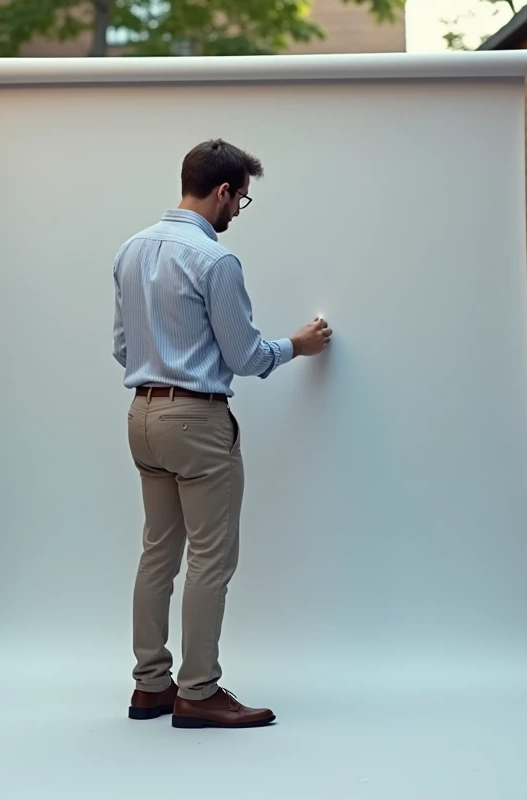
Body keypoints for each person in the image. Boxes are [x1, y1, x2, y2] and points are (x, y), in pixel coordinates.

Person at [111, 138, 331, 730]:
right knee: (210, 559)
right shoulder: (214, 261)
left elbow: (121, 347)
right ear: (223, 191)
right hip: (197, 420)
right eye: (241, 200)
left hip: (142, 416)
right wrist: (298, 345)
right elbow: (246, 355)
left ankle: (150, 687)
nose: (238, 212)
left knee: (158, 553)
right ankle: (199, 691)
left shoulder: (130, 250)